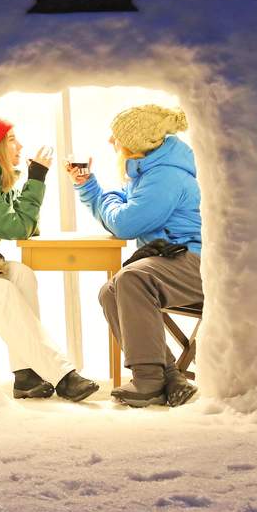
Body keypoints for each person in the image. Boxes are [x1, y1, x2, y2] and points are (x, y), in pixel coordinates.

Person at [65, 105, 202, 408]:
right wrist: (89, 186)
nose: (110, 142)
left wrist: (111, 198)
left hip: (197, 262)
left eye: (115, 137)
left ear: (134, 143)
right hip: (174, 258)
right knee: (109, 292)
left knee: (133, 279)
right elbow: (124, 209)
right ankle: (167, 375)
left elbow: (125, 223)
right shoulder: (149, 174)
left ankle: (148, 380)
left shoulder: (165, 177)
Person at [0, 117, 99, 402]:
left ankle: (25, 376)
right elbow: (17, 226)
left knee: (21, 273)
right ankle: (64, 375)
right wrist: (36, 178)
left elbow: (25, 224)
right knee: (1, 291)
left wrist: (31, 183)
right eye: (11, 139)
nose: (20, 145)